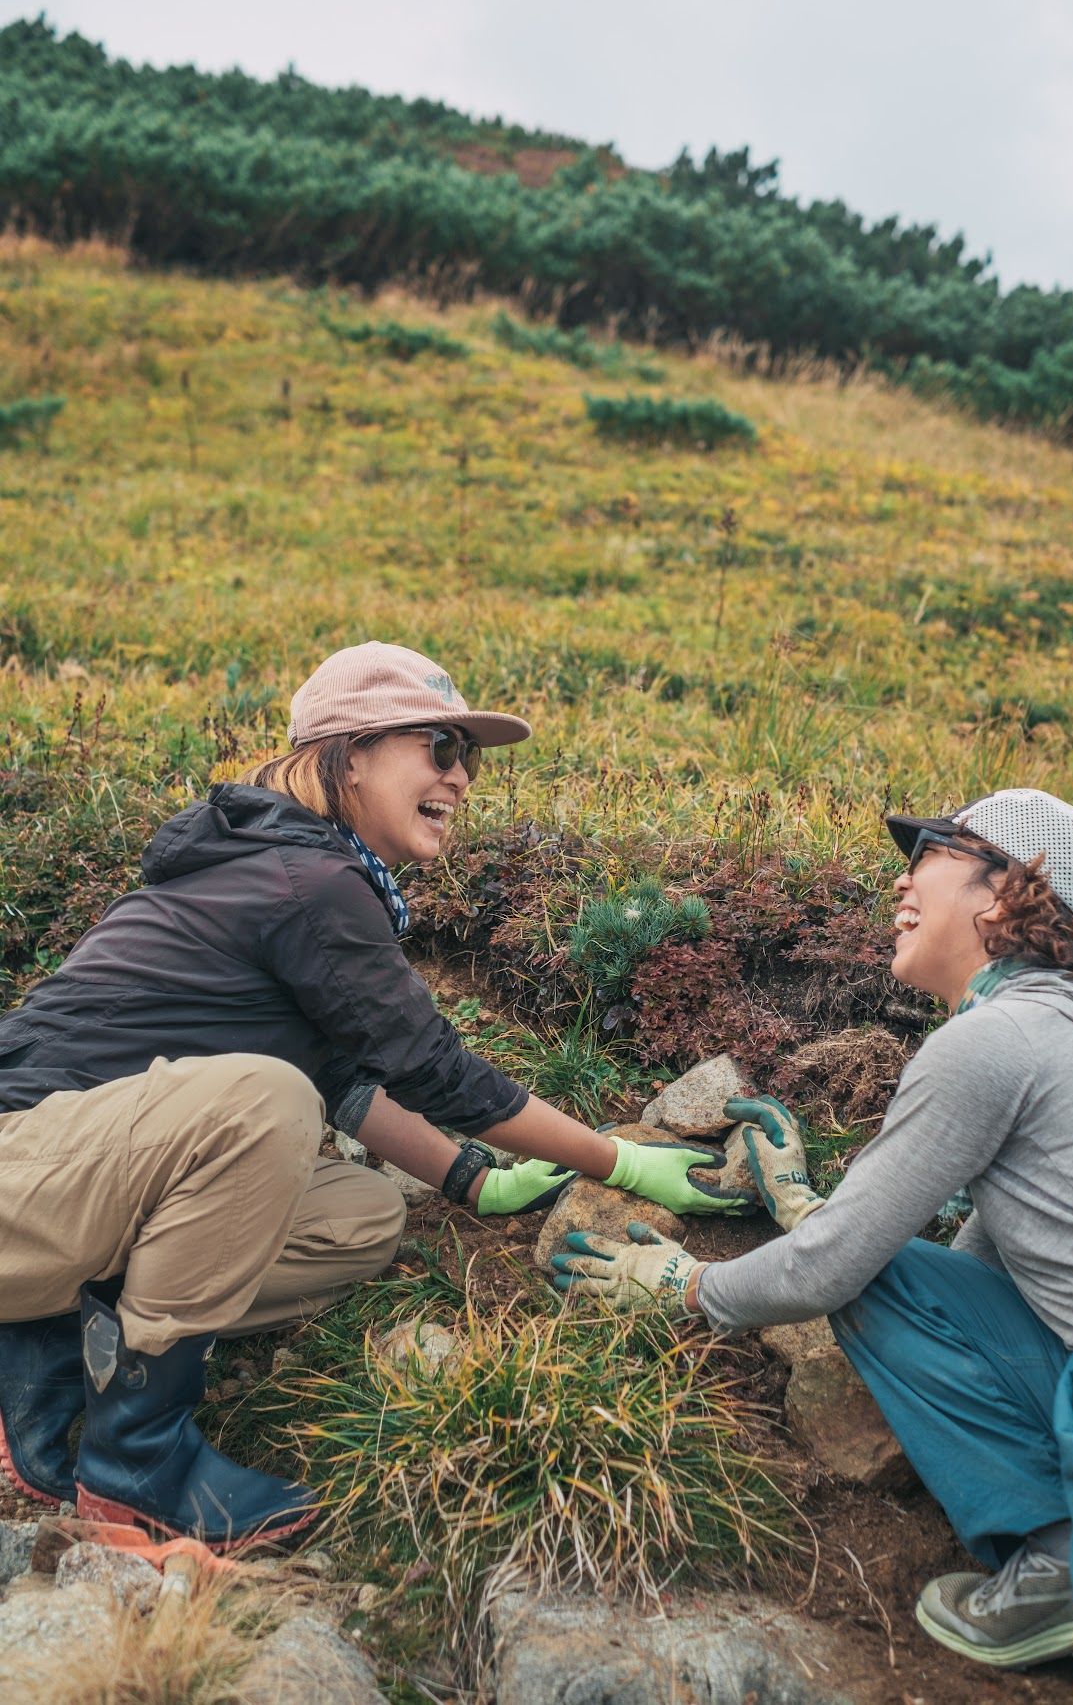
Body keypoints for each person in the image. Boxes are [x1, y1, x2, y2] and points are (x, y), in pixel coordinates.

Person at [0, 641, 752, 1551]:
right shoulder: (307, 880)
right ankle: (136, 1464)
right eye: (438, 745)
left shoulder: (290, 863)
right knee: (263, 1105)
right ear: (348, 756)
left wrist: (475, 1181)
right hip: (21, 1169)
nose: (463, 776)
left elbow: (347, 1080)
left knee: (359, 1215)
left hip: (67, 1186)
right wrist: (626, 1159)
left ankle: (55, 1330)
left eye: (469, 756)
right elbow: (435, 1071)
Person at [555, 788, 1073, 1704]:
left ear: (1002, 894)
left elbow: (840, 1264)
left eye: (928, 850)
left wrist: (688, 1284)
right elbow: (949, 1275)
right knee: (893, 1279)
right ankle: (1061, 1562)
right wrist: (810, 1211)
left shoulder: (995, 1042)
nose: (901, 874)